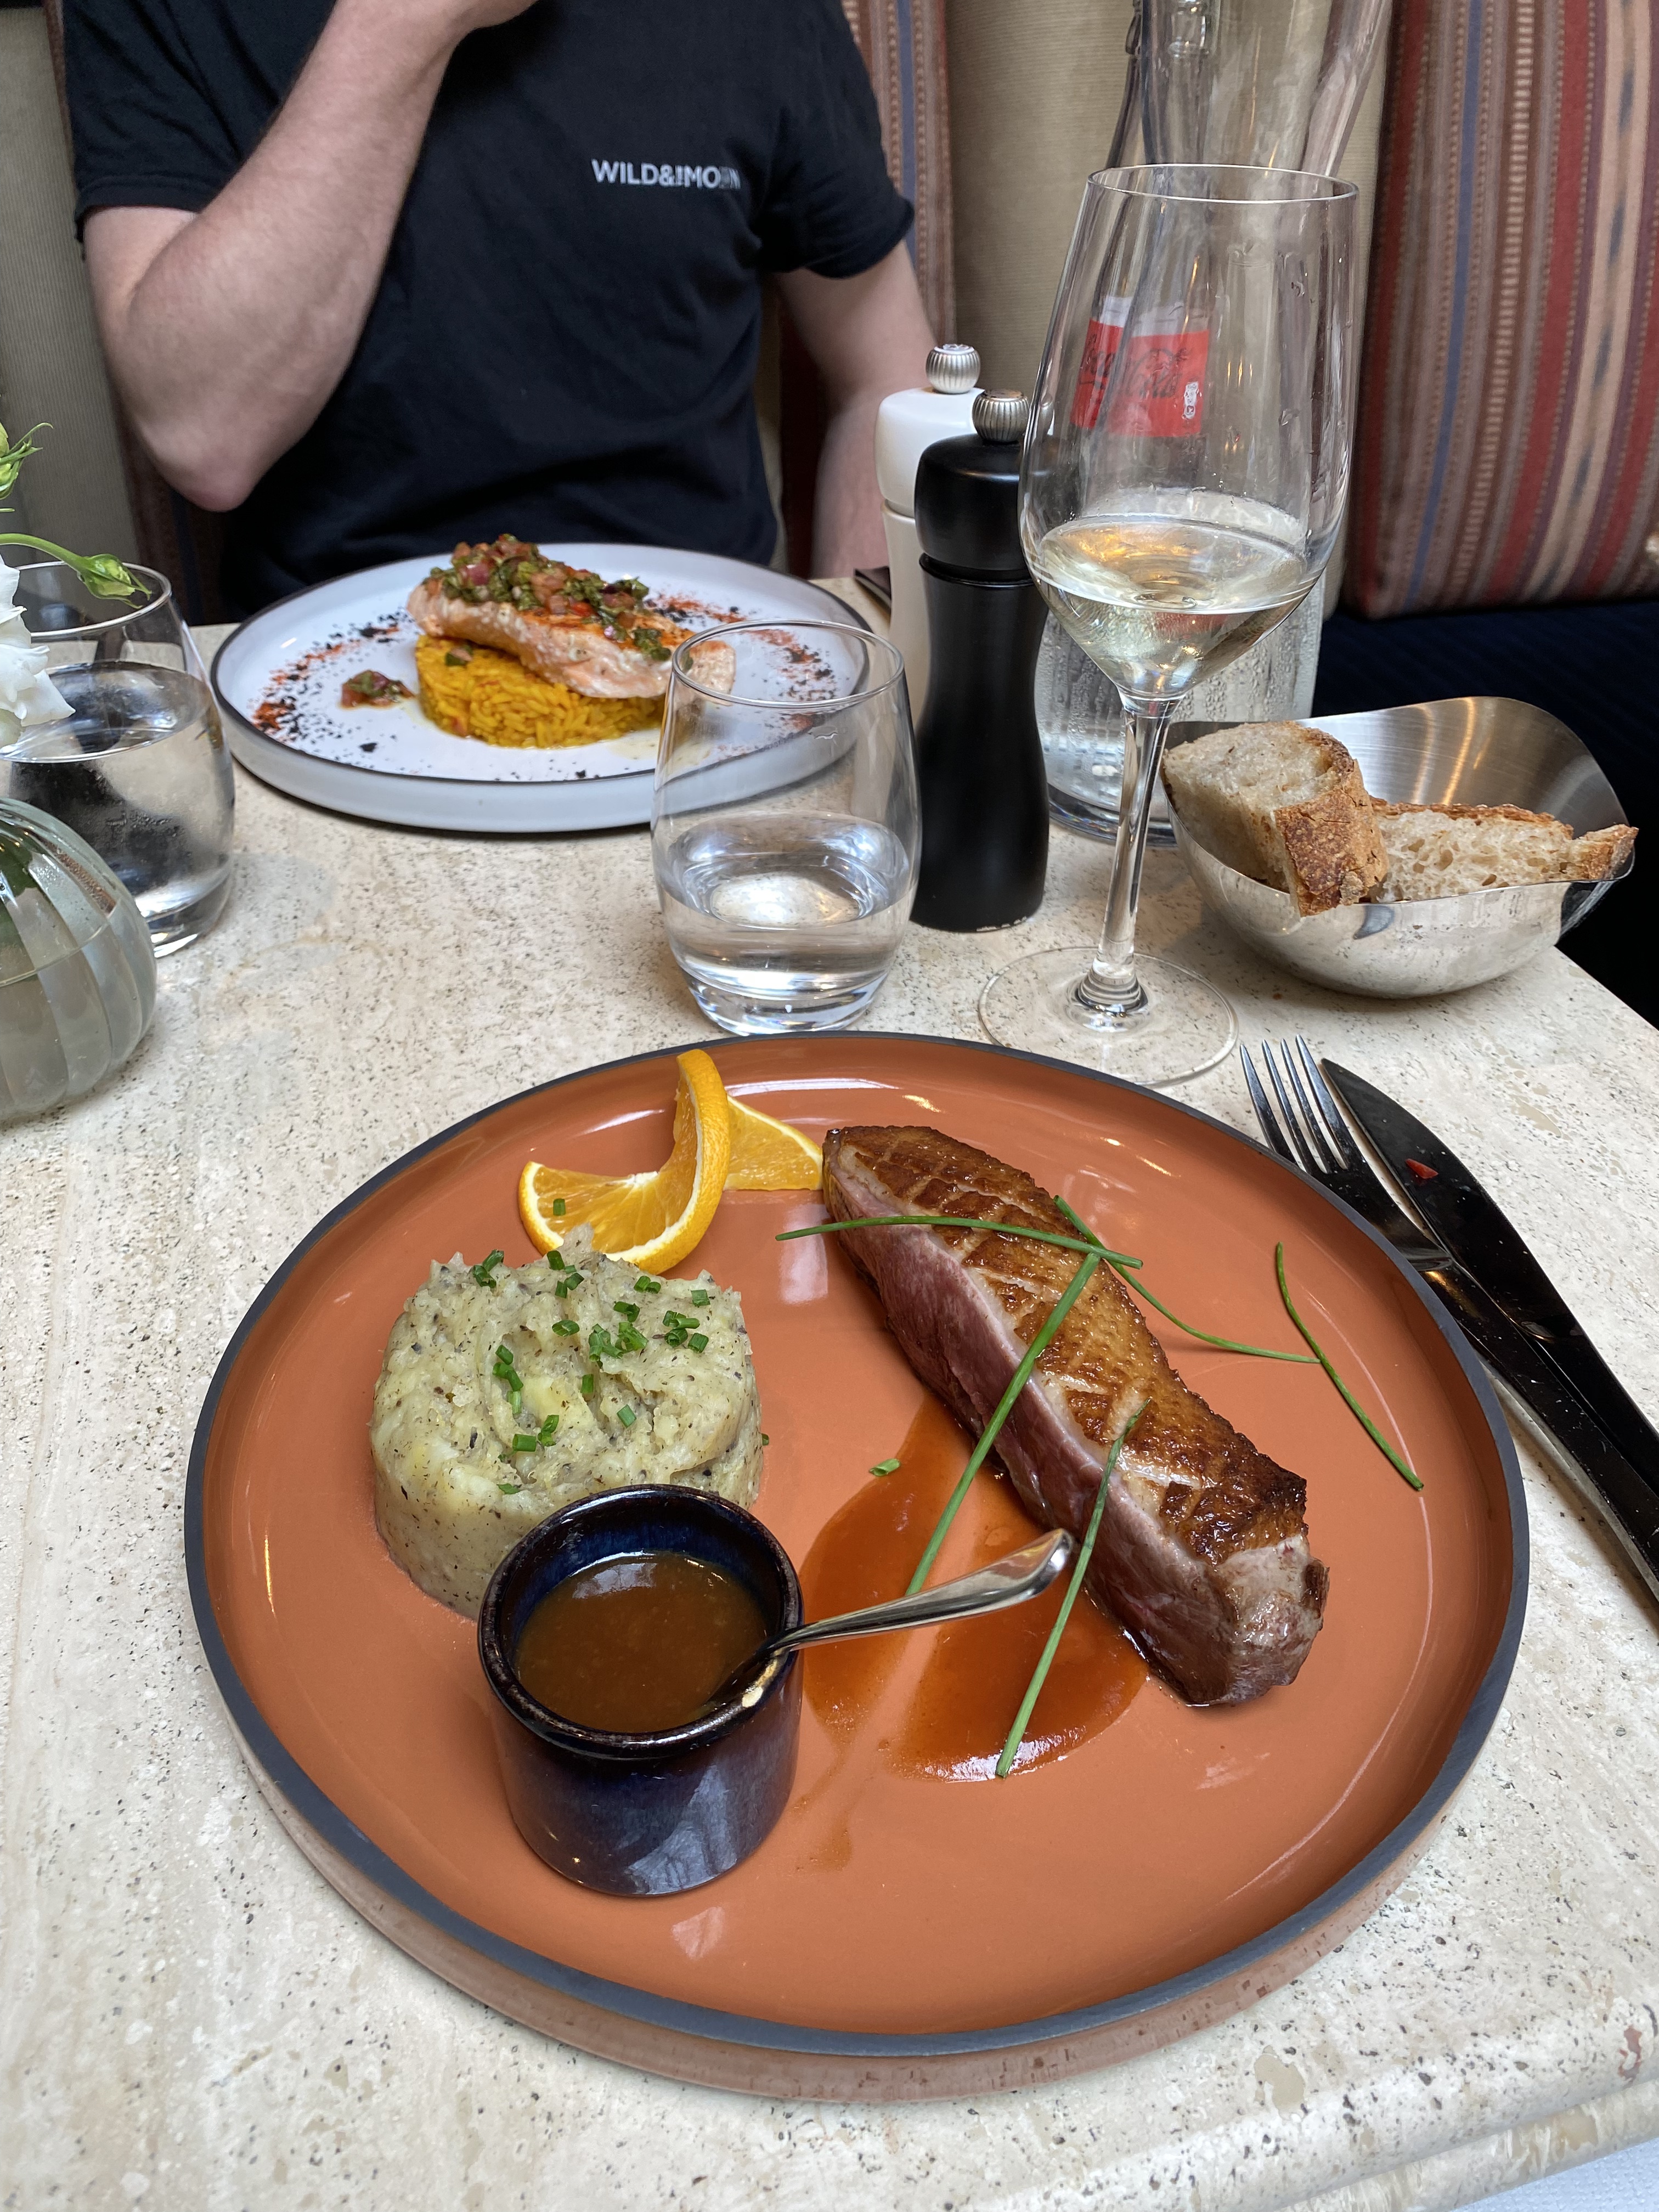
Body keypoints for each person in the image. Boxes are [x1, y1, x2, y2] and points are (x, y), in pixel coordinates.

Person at [64, 0, 935, 613]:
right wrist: (402, 21)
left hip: (692, 670)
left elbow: (888, 381)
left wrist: (859, 702)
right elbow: (204, 439)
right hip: (341, 681)